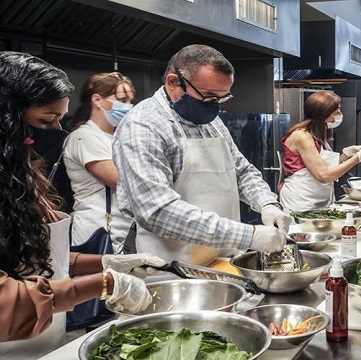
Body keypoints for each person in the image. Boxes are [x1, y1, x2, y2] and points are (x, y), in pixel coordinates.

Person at [0, 51, 164, 358]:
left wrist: (103, 263)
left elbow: (30, 254)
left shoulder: (17, 172)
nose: (57, 130)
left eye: (59, 118)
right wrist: (102, 283)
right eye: (46, 120)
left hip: (42, 338)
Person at [112, 45, 293, 266]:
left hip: (220, 259)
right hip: (168, 268)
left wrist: (267, 205)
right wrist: (249, 236)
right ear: (173, 82)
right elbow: (158, 211)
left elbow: (241, 171)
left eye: (220, 98)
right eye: (208, 96)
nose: (213, 106)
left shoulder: (212, 123)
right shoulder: (143, 125)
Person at [278, 91, 361, 212]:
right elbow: (323, 175)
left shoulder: (318, 134)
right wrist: (358, 158)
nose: (340, 115)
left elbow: (321, 166)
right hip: (302, 200)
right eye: (337, 112)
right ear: (323, 114)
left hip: (318, 198)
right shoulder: (302, 136)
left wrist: (345, 156)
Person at [64, 72, 136, 253]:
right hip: (98, 231)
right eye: (122, 100)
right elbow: (120, 182)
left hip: (122, 229)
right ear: (97, 100)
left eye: (129, 101)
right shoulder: (84, 137)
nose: (128, 106)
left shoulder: (116, 137)